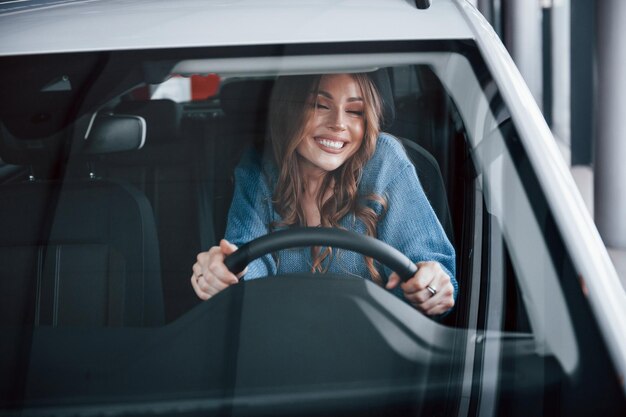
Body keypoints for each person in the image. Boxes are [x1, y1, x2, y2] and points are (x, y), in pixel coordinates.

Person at [191, 72, 457, 316]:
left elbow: (431, 266)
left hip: (377, 348)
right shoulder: (259, 168)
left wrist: (432, 285)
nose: (339, 123)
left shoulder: (384, 160)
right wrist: (221, 275)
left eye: (355, 111)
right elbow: (245, 261)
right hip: (283, 344)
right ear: (289, 109)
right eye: (320, 105)